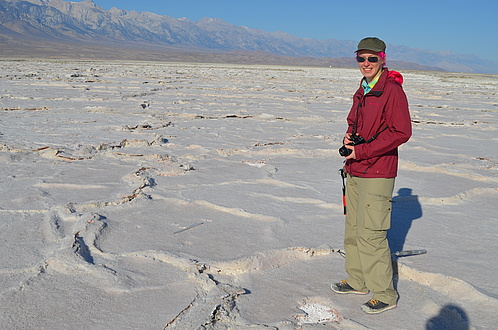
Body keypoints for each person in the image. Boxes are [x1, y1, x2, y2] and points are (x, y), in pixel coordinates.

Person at [331, 37, 412, 314]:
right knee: (352, 231)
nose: (366, 64)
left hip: (377, 172)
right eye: (361, 59)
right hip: (354, 169)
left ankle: (385, 294)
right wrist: (349, 139)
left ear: (383, 59)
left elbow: (401, 132)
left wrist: (363, 151)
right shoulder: (363, 89)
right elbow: (355, 122)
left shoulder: (392, 90)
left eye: (371, 59)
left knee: (372, 235)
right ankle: (358, 280)